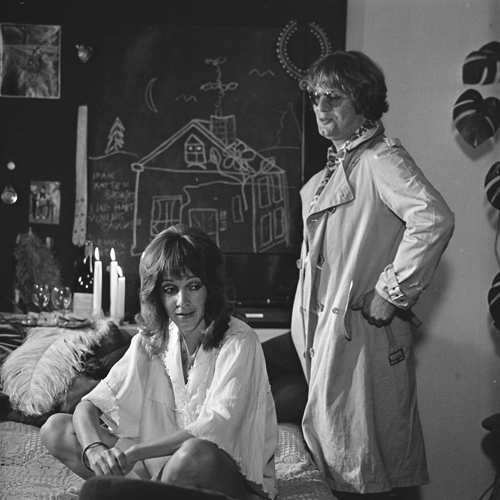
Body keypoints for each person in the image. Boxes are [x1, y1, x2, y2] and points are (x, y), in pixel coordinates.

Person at [290, 51, 455, 498]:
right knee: (344, 456)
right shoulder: (336, 169)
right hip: (332, 337)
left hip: (361, 336)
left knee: (363, 465)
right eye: (316, 97)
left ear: (362, 102)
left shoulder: (380, 159)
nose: (321, 107)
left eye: (333, 97)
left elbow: (433, 218)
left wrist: (391, 292)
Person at [40, 224, 278, 500]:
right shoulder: (151, 340)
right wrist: (94, 450)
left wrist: (134, 453)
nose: (182, 301)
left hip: (225, 477)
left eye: (193, 286)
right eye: (170, 289)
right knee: (56, 429)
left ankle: (128, 494)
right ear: (157, 294)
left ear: (210, 288)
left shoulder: (240, 340)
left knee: (193, 454)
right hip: (159, 471)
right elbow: (88, 406)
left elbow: (213, 430)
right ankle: (139, 493)